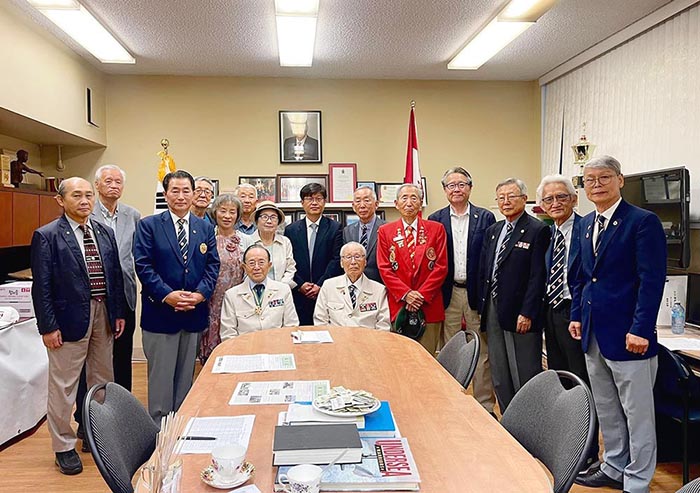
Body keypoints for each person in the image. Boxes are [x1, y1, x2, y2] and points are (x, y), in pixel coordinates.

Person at [570, 156, 666, 493]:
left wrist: (641, 328)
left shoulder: (642, 222)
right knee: (607, 407)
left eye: (604, 177)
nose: (596, 184)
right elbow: (581, 277)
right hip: (593, 332)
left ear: (620, 180)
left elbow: (651, 281)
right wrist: (576, 316)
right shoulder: (583, 225)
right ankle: (613, 466)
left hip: (630, 335)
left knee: (637, 414)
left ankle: (637, 480)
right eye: (589, 179)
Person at [30, 177, 125, 475]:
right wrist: (47, 326)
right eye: (76, 195)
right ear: (61, 200)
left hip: (103, 314)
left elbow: (114, 274)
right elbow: (41, 286)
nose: (84, 201)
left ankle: (95, 433)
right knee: (63, 386)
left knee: (101, 381)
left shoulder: (104, 232)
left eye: (88, 195)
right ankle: (63, 447)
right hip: (67, 320)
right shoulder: (47, 236)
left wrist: (117, 312)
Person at [133, 170, 220, 425]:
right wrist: (167, 295)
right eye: (175, 191)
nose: (181, 196)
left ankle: (181, 425)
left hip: (193, 314)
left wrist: (200, 294)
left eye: (186, 191)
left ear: (194, 194)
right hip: (161, 315)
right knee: (161, 378)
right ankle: (160, 432)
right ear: (165, 193)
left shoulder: (204, 227)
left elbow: (212, 265)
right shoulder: (149, 225)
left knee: (185, 377)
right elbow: (143, 266)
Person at [73, 164, 141, 453]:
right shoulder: (87, 212)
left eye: (118, 181)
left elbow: (137, 255)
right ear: (97, 186)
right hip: (93, 297)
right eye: (107, 181)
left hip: (123, 294)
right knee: (89, 361)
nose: (113, 185)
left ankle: (121, 414)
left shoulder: (132, 215)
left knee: (122, 356)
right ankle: (85, 418)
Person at [536, 174, 599, 467]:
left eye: (562, 197)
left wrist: (579, 314)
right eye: (549, 199)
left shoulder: (587, 227)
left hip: (576, 314)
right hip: (553, 312)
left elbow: (589, 277)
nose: (555, 203)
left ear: (575, 199)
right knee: (563, 380)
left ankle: (586, 453)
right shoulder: (550, 233)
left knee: (582, 383)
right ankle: (566, 446)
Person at [428, 166, 496, 414]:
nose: (456, 189)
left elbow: (489, 259)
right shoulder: (435, 219)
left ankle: (484, 407)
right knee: (451, 350)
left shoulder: (485, 217)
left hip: (476, 293)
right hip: (448, 293)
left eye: (461, 184)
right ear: (444, 190)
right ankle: (452, 404)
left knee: (482, 351)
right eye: (451, 185)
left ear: (470, 187)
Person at [478, 178, 550, 412]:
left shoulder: (538, 230)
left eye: (512, 196)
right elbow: (486, 270)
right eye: (501, 197)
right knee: (500, 371)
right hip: (492, 308)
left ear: (523, 199)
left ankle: (531, 421)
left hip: (521, 313)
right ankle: (509, 421)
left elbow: (538, 276)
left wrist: (527, 312)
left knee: (524, 370)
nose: (506, 201)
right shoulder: (493, 231)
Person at [376, 184, 448, 355]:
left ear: (421, 202)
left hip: (429, 305)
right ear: (396, 203)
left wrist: (420, 295)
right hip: (399, 305)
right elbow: (384, 268)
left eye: (414, 198)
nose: (409, 202)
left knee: (428, 358)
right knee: (400, 358)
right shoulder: (385, 231)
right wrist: (407, 294)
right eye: (404, 198)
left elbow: (441, 267)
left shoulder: (436, 229)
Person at [284, 183, 343, 325]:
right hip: (298, 293)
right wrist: (300, 284)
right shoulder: (291, 230)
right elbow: (288, 261)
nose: (314, 202)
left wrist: (320, 284)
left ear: (325, 202)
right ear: (302, 203)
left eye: (319, 198)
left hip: (325, 291)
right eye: (310, 199)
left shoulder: (335, 228)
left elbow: (336, 260)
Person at [200, 193, 246, 362]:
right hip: (210, 301)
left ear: (238, 215)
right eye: (223, 211)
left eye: (232, 212)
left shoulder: (246, 240)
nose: (227, 216)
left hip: (238, 300)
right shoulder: (206, 238)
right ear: (215, 213)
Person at [220, 245, 299, 338]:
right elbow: (228, 334)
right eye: (252, 263)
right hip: (245, 349)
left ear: (269, 266)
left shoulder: (283, 290)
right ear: (244, 267)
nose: (256, 267)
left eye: (261, 262)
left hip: (277, 347)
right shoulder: (231, 295)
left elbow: (291, 326)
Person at [314, 241, 390, 330]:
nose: (353, 262)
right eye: (348, 257)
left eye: (357, 257)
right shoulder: (328, 286)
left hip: (367, 341)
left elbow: (383, 325)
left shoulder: (379, 290)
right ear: (341, 263)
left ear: (365, 262)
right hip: (337, 341)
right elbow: (320, 321)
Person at [246, 201, 297, 288]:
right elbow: (245, 271)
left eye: (273, 217)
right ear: (256, 221)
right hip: (254, 290)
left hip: (281, 291)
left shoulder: (285, 242)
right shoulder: (247, 241)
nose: (269, 221)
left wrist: (280, 287)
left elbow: (290, 268)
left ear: (278, 222)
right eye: (264, 217)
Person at [342, 186, 386, 283]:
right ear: (353, 206)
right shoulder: (347, 231)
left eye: (367, 200)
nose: (362, 205)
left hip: (380, 285)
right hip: (354, 283)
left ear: (376, 204)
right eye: (358, 201)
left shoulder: (387, 229)